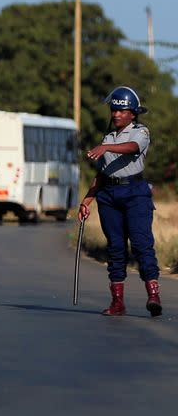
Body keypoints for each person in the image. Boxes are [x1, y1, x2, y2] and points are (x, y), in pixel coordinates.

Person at [78, 86, 162, 317]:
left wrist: (105, 147)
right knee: (115, 248)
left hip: (135, 193)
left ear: (132, 113)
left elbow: (132, 148)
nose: (116, 114)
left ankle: (153, 294)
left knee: (141, 243)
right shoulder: (107, 136)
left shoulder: (141, 132)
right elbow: (102, 173)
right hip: (109, 196)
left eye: (121, 110)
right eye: (114, 110)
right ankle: (117, 302)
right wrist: (88, 199)